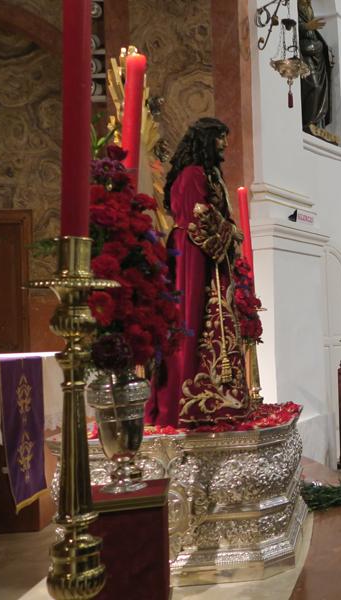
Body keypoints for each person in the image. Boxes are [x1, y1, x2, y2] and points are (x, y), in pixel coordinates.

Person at [145, 117, 251, 427]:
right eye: (220, 138)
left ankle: (215, 397)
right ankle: (189, 402)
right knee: (192, 319)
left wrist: (228, 228)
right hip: (192, 255)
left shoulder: (205, 173)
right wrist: (230, 232)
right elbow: (198, 217)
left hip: (204, 255)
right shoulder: (192, 174)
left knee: (211, 321)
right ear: (205, 140)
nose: (225, 145)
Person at [298, 0, 333, 132]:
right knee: (314, 85)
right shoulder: (295, 6)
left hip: (317, 53)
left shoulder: (308, 7)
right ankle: (309, 121)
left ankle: (318, 123)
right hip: (306, 51)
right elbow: (294, 25)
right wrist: (307, 26)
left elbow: (314, 29)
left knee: (322, 87)